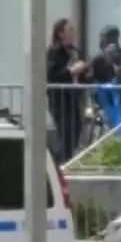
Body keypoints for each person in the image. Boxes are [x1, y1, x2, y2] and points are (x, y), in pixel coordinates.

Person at [45, 18, 88, 161]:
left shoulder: (76, 52)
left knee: (76, 131)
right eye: (70, 30)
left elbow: (84, 74)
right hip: (60, 100)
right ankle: (62, 162)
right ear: (60, 33)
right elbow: (52, 75)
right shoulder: (53, 53)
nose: (73, 33)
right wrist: (71, 71)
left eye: (74, 30)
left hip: (75, 98)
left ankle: (69, 159)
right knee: (64, 132)